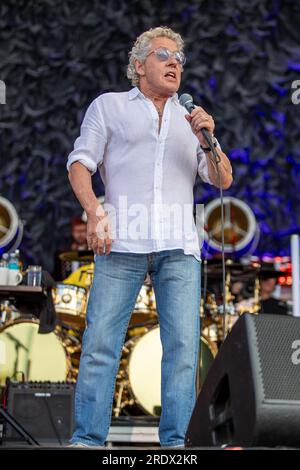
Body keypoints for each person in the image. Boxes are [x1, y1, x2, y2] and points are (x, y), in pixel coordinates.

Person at [67, 26, 232, 448]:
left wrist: (208, 140)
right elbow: (80, 164)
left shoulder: (190, 118)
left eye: (179, 57)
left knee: (182, 352)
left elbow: (222, 179)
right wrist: (94, 211)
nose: (174, 62)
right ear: (139, 65)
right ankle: (88, 440)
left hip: (179, 246)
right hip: (121, 242)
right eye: (163, 54)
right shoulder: (110, 107)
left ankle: (175, 444)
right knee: (101, 344)